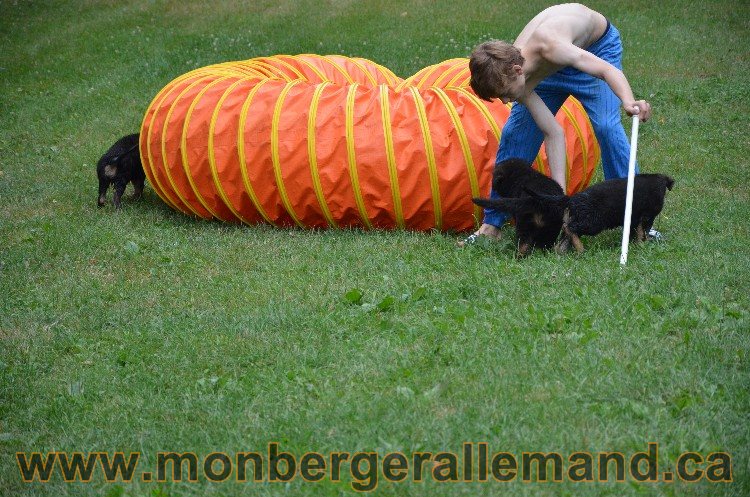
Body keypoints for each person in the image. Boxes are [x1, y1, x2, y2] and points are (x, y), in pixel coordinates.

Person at [460, 3, 654, 246]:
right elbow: (553, 132)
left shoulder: (551, 46)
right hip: (548, 72)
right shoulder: (512, 72)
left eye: (506, 94)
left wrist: (628, 101)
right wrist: (559, 200)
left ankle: (638, 221)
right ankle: (492, 224)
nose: (506, 101)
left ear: (518, 71)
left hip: (595, 51)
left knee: (607, 127)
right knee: (515, 133)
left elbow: (605, 70)